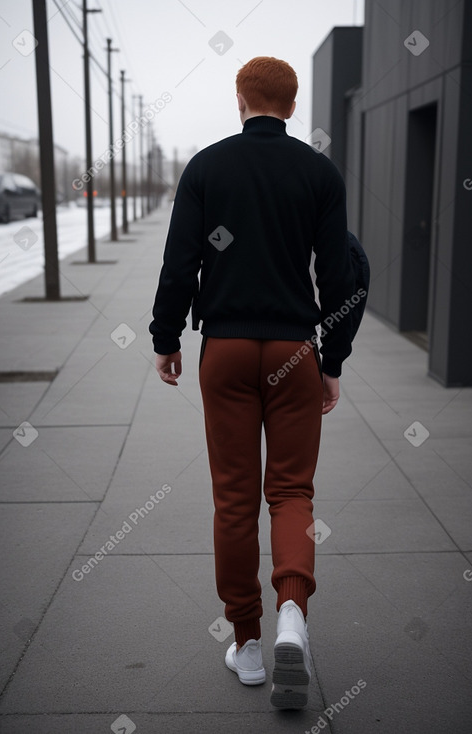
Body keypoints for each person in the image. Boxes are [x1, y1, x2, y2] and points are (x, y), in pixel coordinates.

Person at [149, 56, 355, 709]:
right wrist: (333, 359)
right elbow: (341, 271)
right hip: (294, 350)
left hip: (227, 349)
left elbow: (180, 259)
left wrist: (165, 337)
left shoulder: (207, 167)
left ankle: (246, 642)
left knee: (234, 499)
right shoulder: (319, 172)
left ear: (240, 99)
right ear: (291, 106)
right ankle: (292, 612)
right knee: (291, 492)